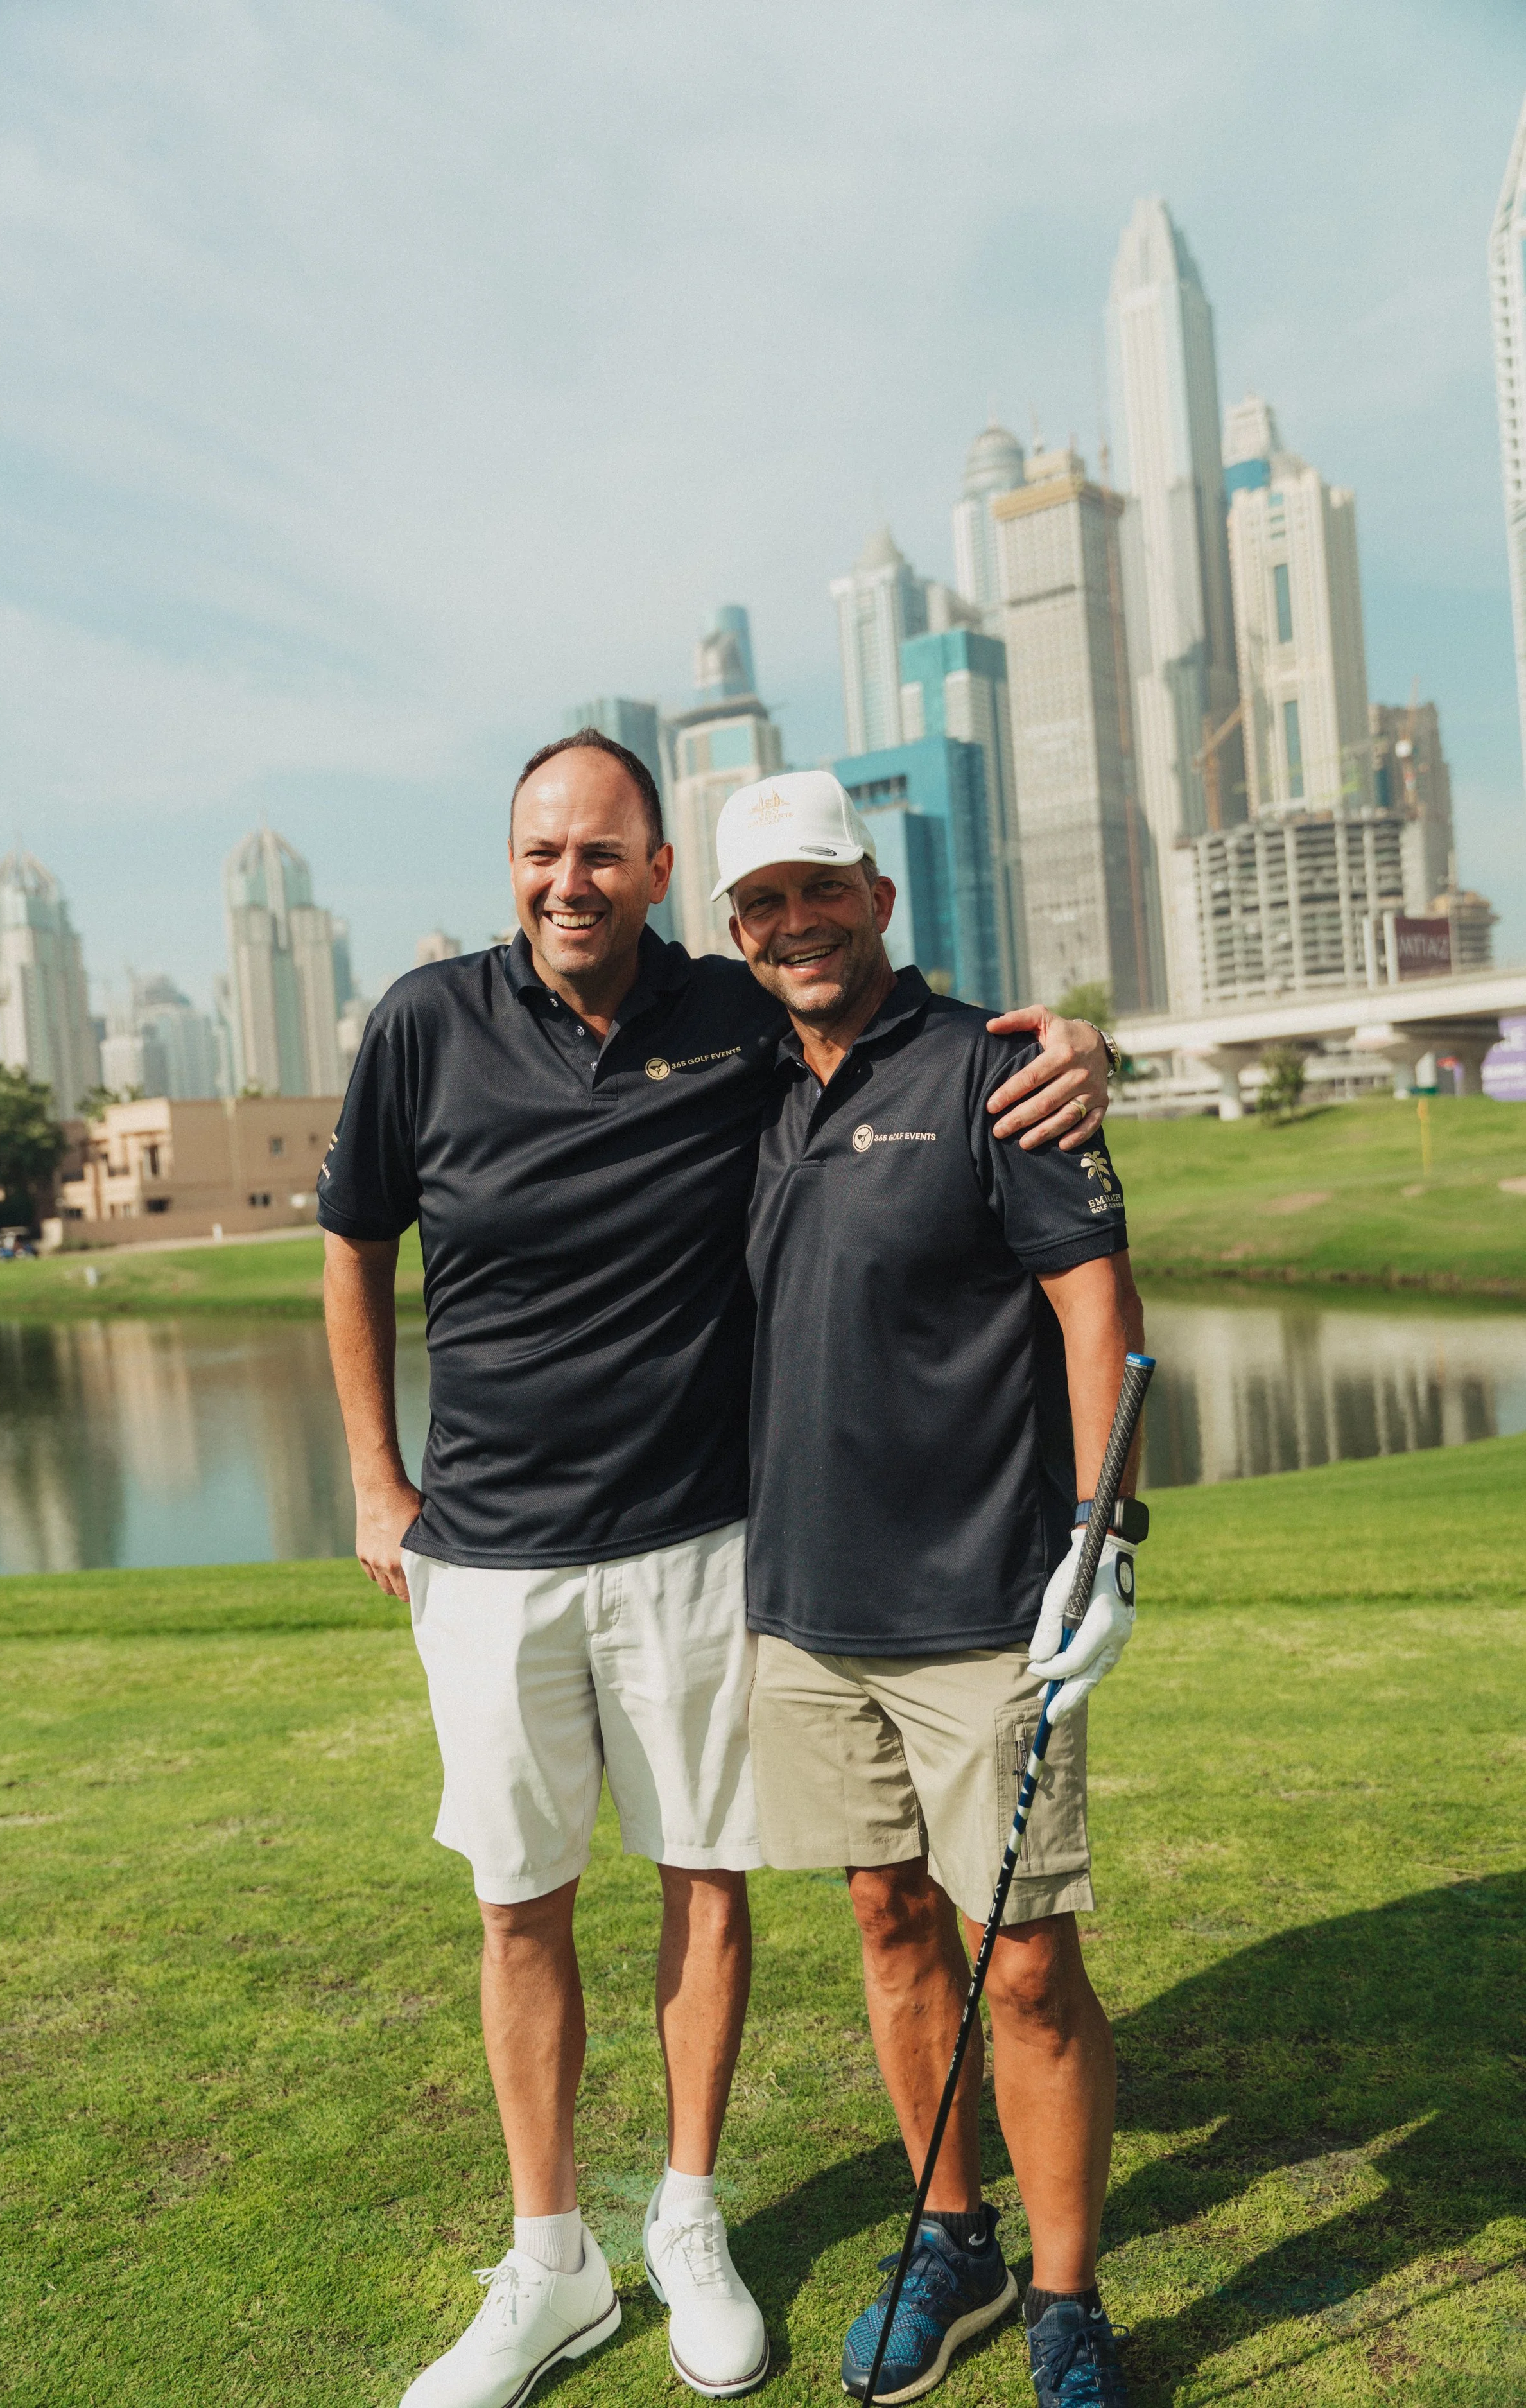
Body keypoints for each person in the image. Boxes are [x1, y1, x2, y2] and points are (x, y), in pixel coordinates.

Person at [318, 731, 1115, 2408]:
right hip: (527, 1557)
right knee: (547, 1897)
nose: (567, 877)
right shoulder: (428, 1022)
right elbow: (352, 1234)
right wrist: (374, 1471)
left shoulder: (743, 1012)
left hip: (712, 1547)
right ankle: (550, 2264)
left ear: (659, 874)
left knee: (749, 1885)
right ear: (511, 860)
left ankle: (708, 2219)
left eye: (602, 850)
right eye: (540, 849)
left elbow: (930, 1053)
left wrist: (1075, 1045)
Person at [718, 770, 1145, 2407]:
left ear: (877, 898)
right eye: (763, 902)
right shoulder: (745, 1081)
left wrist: (1106, 1544)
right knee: (890, 1924)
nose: (795, 923)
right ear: (738, 930)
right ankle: (949, 2234)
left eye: (820, 889)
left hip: (985, 1603)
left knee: (1023, 1959)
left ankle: (1063, 2302)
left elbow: (1093, 1307)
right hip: (806, 1610)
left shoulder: (996, 1068)